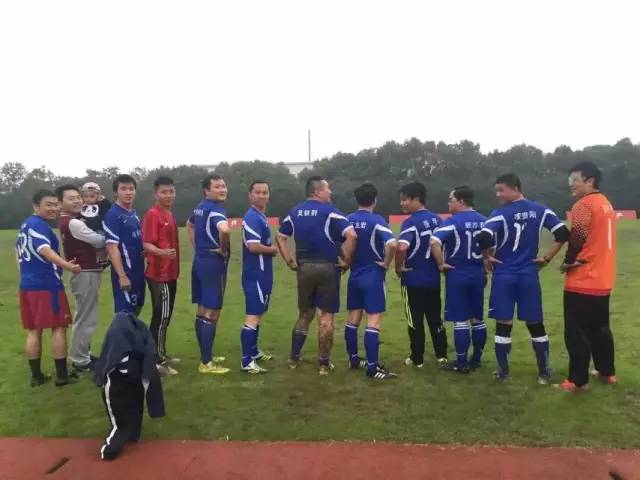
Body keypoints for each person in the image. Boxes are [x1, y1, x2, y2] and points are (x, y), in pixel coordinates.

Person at [477, 173, 570, 383]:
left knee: (504, 323)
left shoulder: (500, 214)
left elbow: (483, 236)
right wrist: (546, 258)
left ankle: (503, 373)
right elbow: (563, 234)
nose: (498, 195)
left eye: (501, 190)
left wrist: (487, 257)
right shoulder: (540, 210)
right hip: (529, 274)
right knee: (535, 322)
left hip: (504, 274)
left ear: (516, 188)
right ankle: (544, 372)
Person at [276, 176, 357, 375]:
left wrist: (289, 261)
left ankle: (294, 358)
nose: (330, 192)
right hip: (327, 267)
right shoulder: (330, 211)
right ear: (317, 191)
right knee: (326, 317)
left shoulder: (295, 212)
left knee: (305, 314)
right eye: (328, 189)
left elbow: (280, 236)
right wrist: (347, 261)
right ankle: (323, 364)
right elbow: (352, 235)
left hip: (304, 268)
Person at [557, 162, 617, 392]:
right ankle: (606, 372)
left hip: (583, 279)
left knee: (576, 332)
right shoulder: (605, 203)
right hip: (603, 278)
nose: (571, 185)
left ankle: (578, 380)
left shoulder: (584, 204)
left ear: (589, 180)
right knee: (600, 328)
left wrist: (567, 261)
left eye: (575, 180)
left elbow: (578, 236)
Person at [16, 189, 81, 387]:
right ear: (36, 206)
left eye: (55, 204)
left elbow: (18, 253)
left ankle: (36, 377)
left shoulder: (25, 225)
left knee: (34, 330)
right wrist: (67, 265)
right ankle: (62, 376)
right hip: (46, 286)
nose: (54, 208)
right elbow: (44, 250)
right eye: (48, 205)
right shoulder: (39, 225)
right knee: (58, 327)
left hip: (27, 286)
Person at [93, 312, 165, 461]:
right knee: (134, 412)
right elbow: (150, 370)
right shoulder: (144, 337)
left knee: (120, 424)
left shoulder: (115, 338)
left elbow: (105, 364)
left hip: (117, 382)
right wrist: (156, 408)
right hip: (136, 377)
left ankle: (108, 451)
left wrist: (100, 379)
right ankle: (132, 435)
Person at [430, 186, 487, 374]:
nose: (448, 203)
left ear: (461, 201)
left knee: (460, 320)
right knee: (477, 318)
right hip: (477, 273)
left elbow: (434, 242)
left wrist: (441, 264)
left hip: (457, 274)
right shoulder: (484, 221)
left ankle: (461, 363)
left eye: (451, 200)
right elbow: (491, 245)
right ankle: (476, 359)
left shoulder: (453, 222)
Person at [344, 183, 398, 379]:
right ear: (375, 199)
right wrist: (386, 263)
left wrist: (345, 261)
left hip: (355, 275)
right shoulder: (377, 220)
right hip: (373, 276)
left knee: (353, 318)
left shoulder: (348, 219)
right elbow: (392, 244)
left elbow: (338, 242)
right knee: (373, 319)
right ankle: (373, 368)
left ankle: (353, 359)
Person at [395, 182, 449, 369]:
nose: (402, 204)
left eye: (405, 200)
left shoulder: (410, 222)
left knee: (415, 320)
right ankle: (442, 355)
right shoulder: (438, 220)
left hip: (413, 279)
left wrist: (398, 267)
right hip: (433, 278)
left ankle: (417, 358)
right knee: (435, 318)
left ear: (416, 199)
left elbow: (402, 247)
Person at [57, 184, 107, 373]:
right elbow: (98, 240)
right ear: (61, 202)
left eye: (78, 197)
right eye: (71, 198)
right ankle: (80, 359)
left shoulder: (70, 221)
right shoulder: (74, 223)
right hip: (85, 271)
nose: (77, 201)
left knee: (85, 315)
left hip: (85, 272)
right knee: (86, 317)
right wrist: (106, 235)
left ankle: (83, 353)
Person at [191, 174, 231, 374]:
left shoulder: (200, 207)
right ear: (207, 190)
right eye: (217, 187)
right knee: (212, 311)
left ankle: (206, 355)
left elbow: (190, 224)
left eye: (223, 186)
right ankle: (206, 363)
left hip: (199, 260)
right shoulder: (216, 209)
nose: (222, 190)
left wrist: (197, 246)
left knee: (202, 309)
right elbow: (225, 230)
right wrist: (223, 249)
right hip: (212, 263)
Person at [142, 176, 180, 376]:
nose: (168, 195)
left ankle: (160, 353)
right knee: (161, 316)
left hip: (171, 272)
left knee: (165, 315)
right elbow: (146, 243)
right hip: (159, 274)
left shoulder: (169, 213)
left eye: (171, 191)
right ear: (156, 194)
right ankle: (155, 360)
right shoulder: (153, 214)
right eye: (164, 192)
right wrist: (162, 253)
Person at [239, 181, 278, 374]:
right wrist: (273, 250)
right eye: (258, 192)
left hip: (263, 274)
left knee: (259, 314)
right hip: (255, 274)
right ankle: (246, 362)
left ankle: (253, 352)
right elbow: (253, 246)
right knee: (252, 316)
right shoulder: (252, 217)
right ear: (250, 195)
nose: (262, 195)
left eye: (265, 192)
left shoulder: (260, 216)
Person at [103, 174, 146, 315]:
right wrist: (122, 276)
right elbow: (112, 247)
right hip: (126, 272)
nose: (128, 192)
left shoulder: (133, 214)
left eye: (131, 189)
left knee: (136, 310)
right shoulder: (113, 215)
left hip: (138, 270)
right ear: (116, 193)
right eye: (123, 189)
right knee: (125, 315)